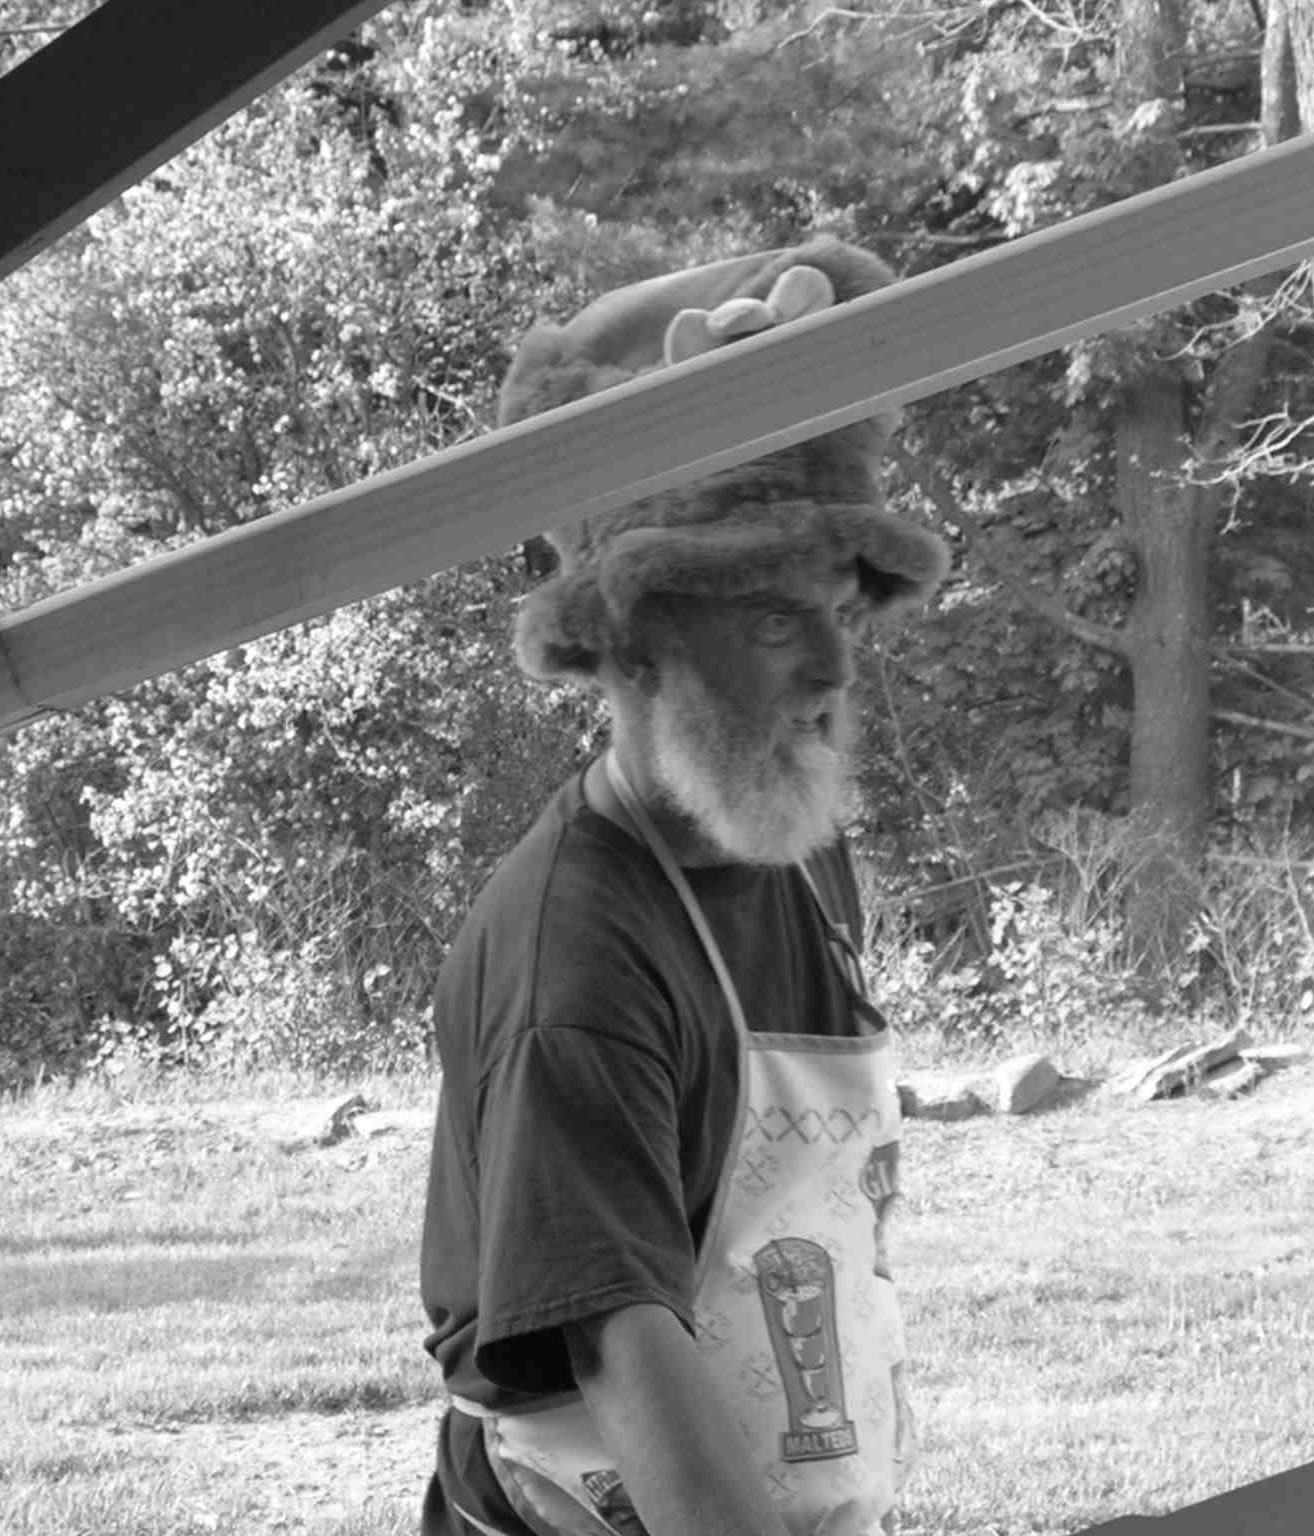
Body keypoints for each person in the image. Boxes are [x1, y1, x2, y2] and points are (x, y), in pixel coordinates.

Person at [418, 238, 951, 1536]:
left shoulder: (786, 846)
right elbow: (629, 1357)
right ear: (637, 647)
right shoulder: (574, 962)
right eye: (772, 620)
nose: (835, 664)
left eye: (840, 606)